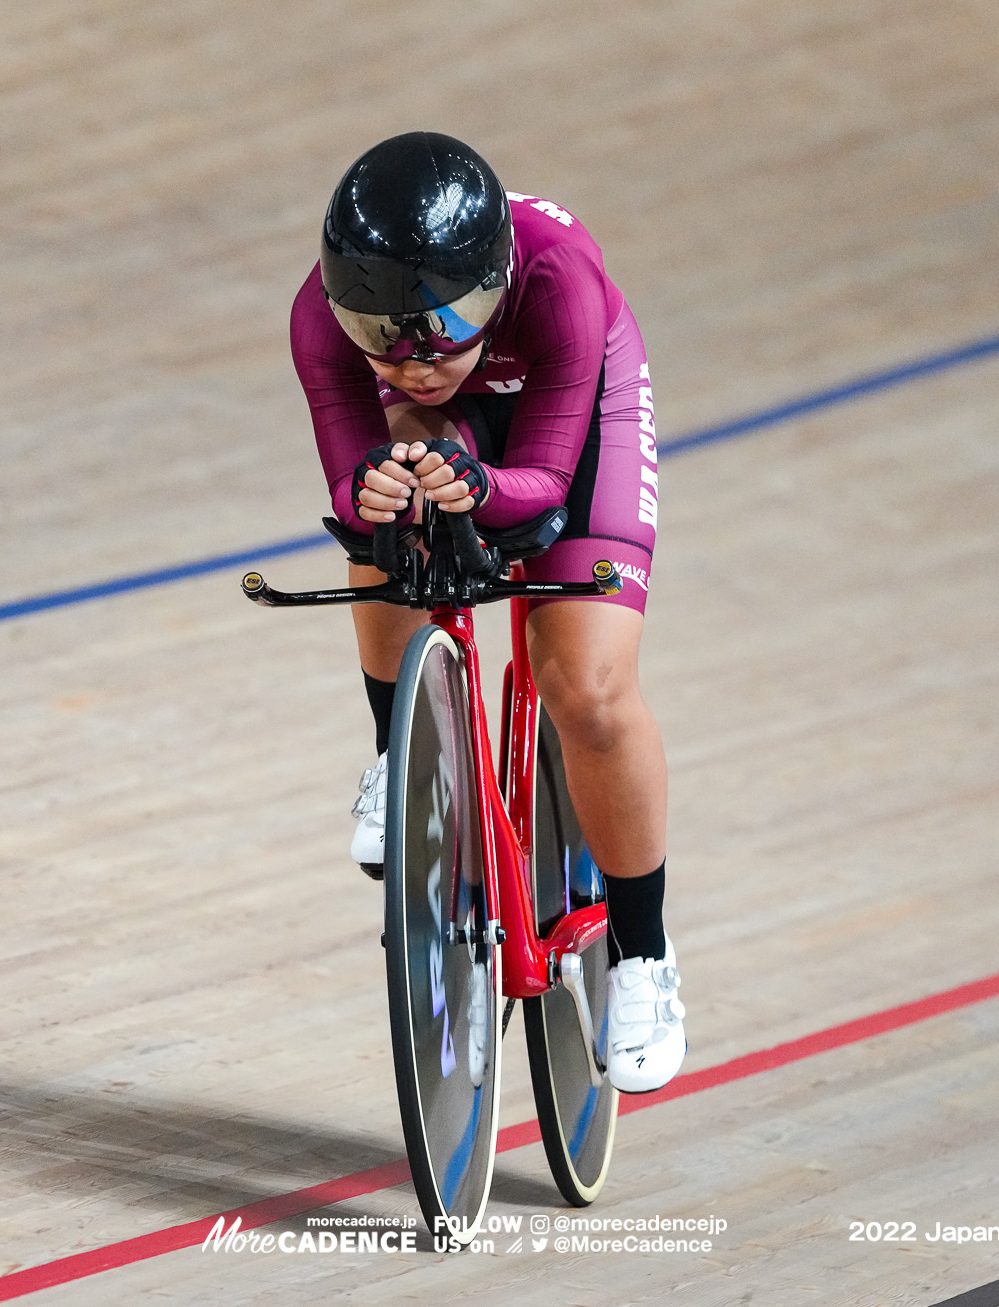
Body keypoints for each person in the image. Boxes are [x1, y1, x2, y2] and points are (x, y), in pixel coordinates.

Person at [289, 132, 684, 1094]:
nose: (415, 361)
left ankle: (645, 955)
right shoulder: (318, 320)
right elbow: (347, 487)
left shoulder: (557, 279)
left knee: (585, 689)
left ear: (496, 281)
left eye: (441, 325)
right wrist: (379, 494)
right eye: (380, 334)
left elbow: (545, 485)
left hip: (571, 421)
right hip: (460, 442)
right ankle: (397, 752)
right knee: (389, 515)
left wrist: (474, 481)